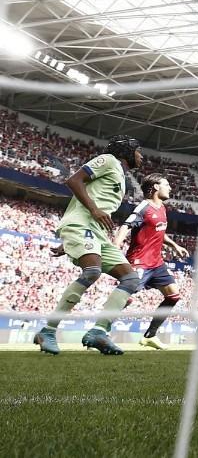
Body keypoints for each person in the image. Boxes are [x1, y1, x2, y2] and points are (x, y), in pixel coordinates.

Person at [34, 136, 144, 355]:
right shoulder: (109, 160)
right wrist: (93, 210)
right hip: (83, 224)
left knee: (130, 279)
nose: (142, 156)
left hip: (97, 234)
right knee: (92, 271)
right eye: (138, 151)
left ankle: (98, 332)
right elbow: (74, 180)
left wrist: (73, 243)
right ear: (126, 152)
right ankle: (47, 330)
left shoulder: (121, 177)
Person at [114, 173, 189, 350]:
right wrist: (116, 245)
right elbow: (126, 225)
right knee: (124, 297)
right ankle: (100, 327)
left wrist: (174, 245)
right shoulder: (144, 207)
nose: (170, 187)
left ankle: (150, 336)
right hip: (139, 261)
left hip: (157, 263)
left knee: (173, 295)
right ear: (155, 187)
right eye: (166, 184)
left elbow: (160, 231)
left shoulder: (161, 208)